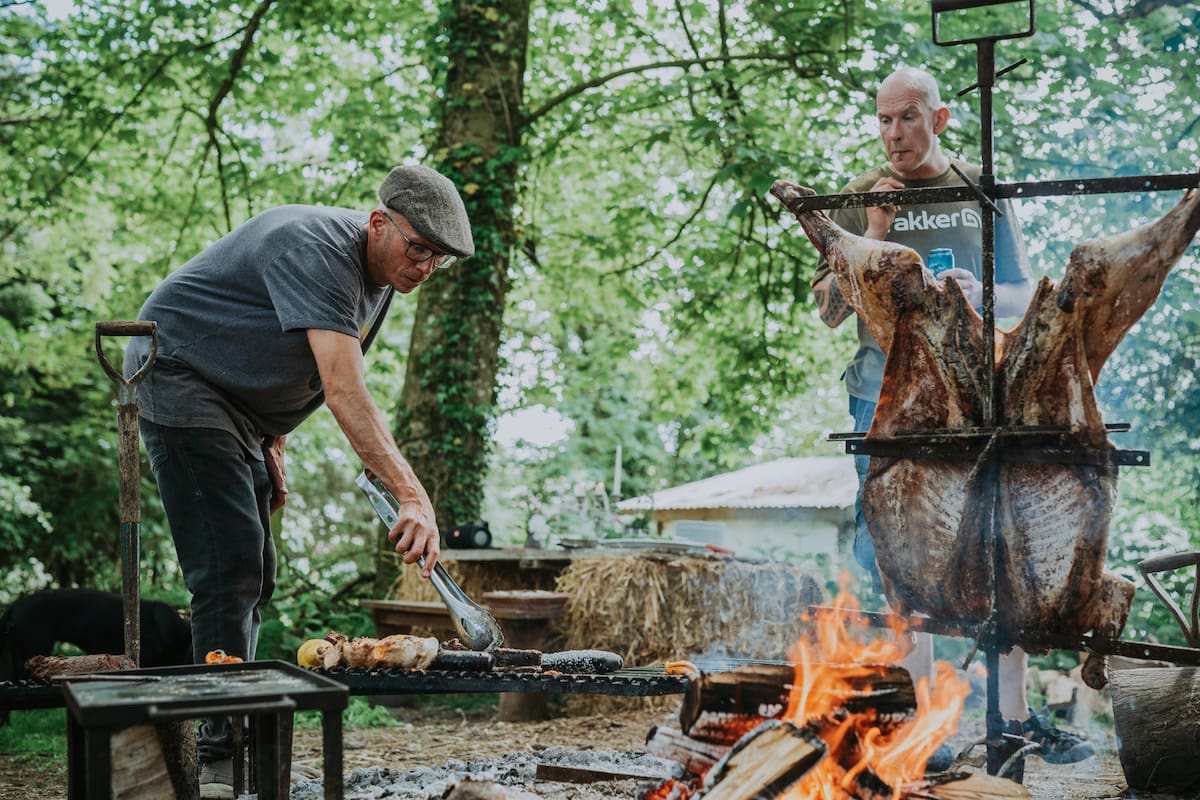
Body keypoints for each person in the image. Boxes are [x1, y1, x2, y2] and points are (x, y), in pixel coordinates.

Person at [123, 164, 474, 798]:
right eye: (417, 248)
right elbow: (344, 389)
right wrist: (412, 494)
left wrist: (272, 434)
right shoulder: (315, 249)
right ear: (377, 224)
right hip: (177, 372)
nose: (424, 266)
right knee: (230, 567)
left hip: (238, 407)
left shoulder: (383, 276)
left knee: (258, 567)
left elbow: (298, 358)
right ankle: (221, 753)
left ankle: (237, 727)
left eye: (439, 259)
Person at [810, 66, 1094, 769]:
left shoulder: (980, 190)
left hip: (976, 395)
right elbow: (828, 309)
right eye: (883, 120)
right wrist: (873, 234)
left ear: (938, 121)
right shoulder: (861, 196)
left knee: (1002, 543)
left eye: (907, 118)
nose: (894, 134)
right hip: (882, 398)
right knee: (898, 552)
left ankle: (1018, 718)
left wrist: (981, 291)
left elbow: (1025, 294)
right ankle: (917, 722)